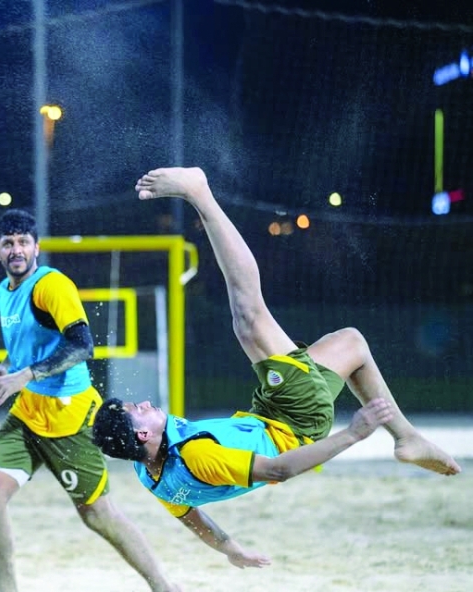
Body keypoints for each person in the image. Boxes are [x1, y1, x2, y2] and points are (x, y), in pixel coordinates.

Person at [93, 167, 462, 568]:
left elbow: (191, 517)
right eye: (138, 409)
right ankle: (199, 193)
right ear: (142, 433)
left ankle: (407, 437)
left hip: (274, 415)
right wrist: (354, 434)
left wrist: (231, 549)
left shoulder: (149, 474)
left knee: (351, 342)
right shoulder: (196, 455)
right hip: (294, 419)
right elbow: (279, 471)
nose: (145, 403)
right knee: (248, 316)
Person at [0, 209, 182, 592]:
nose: (16, 249)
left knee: (97, 514)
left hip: (70, 416)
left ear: (36, 247)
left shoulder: (51, 285)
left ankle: (166, 589)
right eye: (8, 243)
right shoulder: (3, 291)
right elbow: (24, 346)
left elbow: (82, 346)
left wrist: (25, 375)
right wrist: (4, 368)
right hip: (29, 413)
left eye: (23, 242)